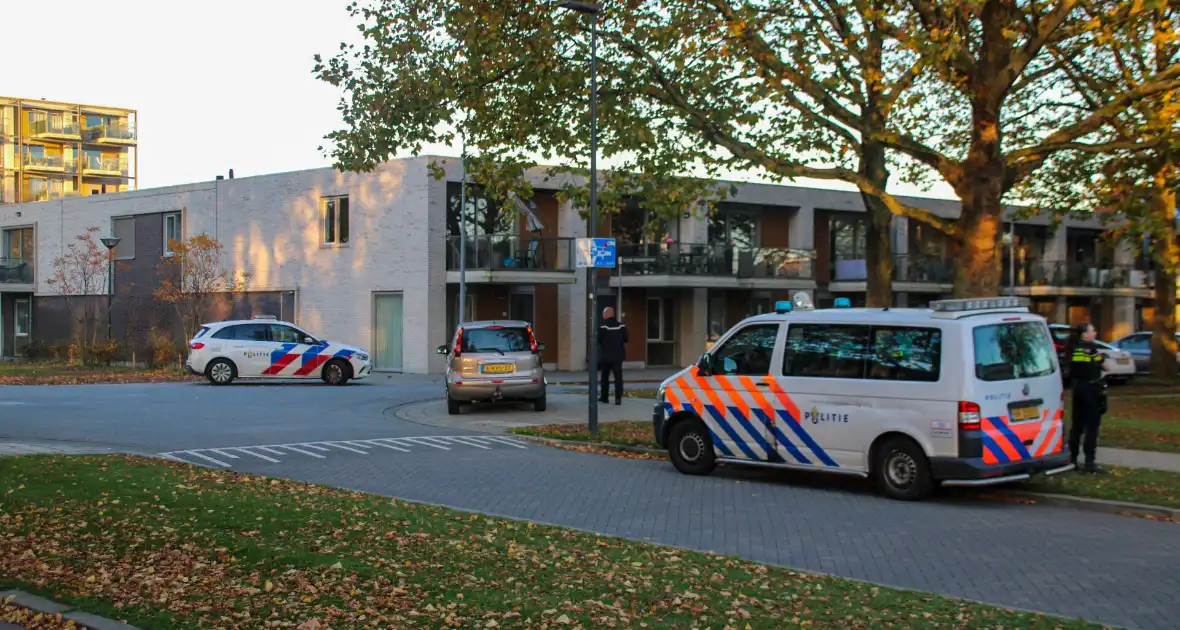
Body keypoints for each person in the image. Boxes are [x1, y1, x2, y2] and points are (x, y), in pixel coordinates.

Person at [1067, 322, 1108, 473]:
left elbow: (1076, 368)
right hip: (1091, 389)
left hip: (1078, 389)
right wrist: (1100, 361)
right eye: (1092, 331)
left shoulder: (1075, 349)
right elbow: (1103, 365)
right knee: (1092, 427)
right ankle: (1089, 462)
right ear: (1084, 334)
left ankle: (1072, 459)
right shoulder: (1089, 349)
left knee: (1077, 426)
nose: (1095, 333)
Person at [598, 306, 628, 405]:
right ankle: (618, 399)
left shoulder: (603, 326)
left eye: (603, 314)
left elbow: (598, 340)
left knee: (604, 378)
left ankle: (604, 397)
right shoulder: (621, 326)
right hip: (618, 356)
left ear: (606, 315)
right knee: (618, 378)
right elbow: (626, 339)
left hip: (606, 356)